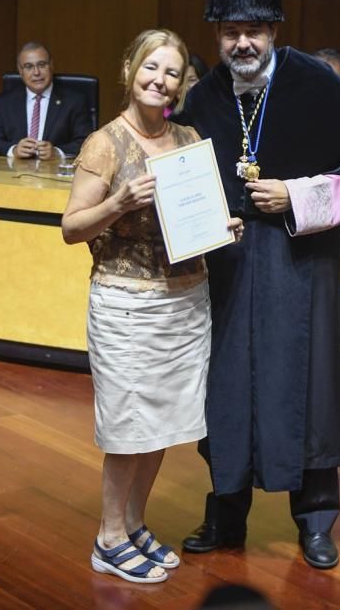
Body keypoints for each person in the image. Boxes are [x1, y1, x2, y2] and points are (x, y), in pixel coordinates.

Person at [173, 0, 340, 569]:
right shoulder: (204, 97)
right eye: (230, 31)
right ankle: (226, 515)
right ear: (216, 33)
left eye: (255, 30)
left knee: (310, 388)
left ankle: (316, 520)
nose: (242, 43)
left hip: (301, 264)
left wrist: (295, 196)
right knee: (228, 387)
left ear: (274, 29)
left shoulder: (317, 83)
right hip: (229, 269)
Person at [61, 29, 243, 585]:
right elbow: (70, 228)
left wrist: (221, 228)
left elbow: (196, 219)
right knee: (129, 428)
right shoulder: (104, 143)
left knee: (164, 426)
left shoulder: (188, 138)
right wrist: (117, 202)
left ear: (181, 84)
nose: (159, 79)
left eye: (172, 72)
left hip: (186, 305)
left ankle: (135, 524)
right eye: (151, 67)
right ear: (130, 69)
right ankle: (108, 538)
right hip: (128, 308)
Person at [0, 41, 92, 159]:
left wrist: (57, 152)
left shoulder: (74, 101)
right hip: (15, 172)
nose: (36, 72)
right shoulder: (4, 102)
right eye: (28, 67)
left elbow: (87, 143)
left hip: (54, 172)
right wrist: (14, 149)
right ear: (20, 71)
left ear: (51, 65)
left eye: (42, 65)